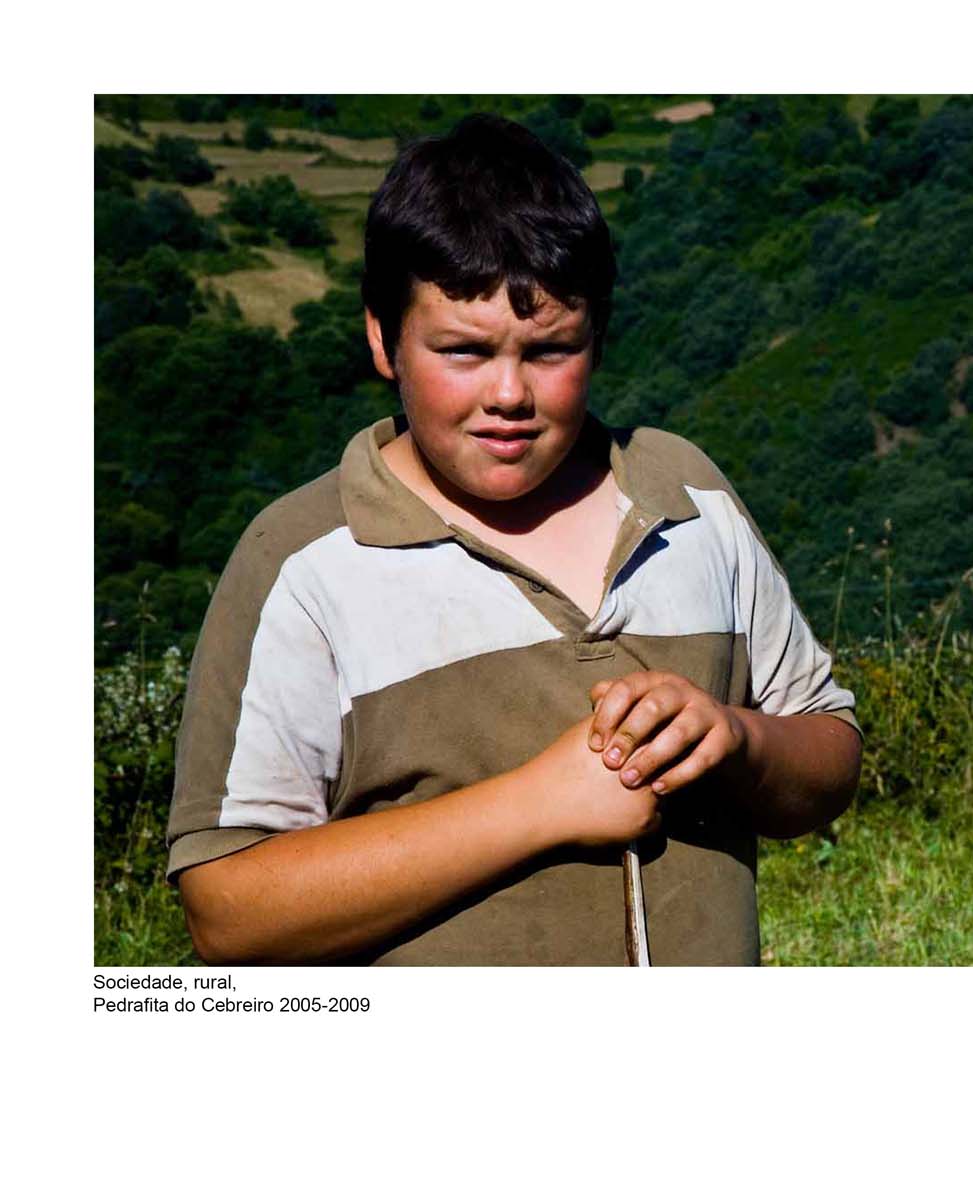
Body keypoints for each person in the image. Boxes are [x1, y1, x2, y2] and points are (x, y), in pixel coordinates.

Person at [166, 114, 862, 965]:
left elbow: (827, 751)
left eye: (551, 350)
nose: (508, 394)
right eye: (463, 351)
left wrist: (737, 741)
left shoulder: (688, 500)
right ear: (382, 338)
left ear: (599, 336)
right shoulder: (305, 565)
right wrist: (540, 804)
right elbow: (227, 910)